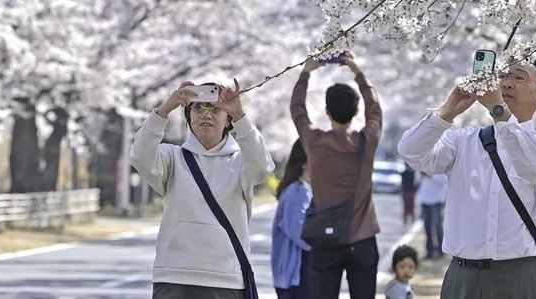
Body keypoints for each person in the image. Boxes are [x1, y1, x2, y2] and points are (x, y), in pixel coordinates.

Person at [397, 60, 536, 299]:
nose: (506, 83)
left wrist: (499, 109)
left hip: (522, 274)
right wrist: (448, 110)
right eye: (502, 76)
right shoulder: (463, 141)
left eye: (519, 77)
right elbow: (410, 152)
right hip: (463, 275)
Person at [130, 79, 275, 299]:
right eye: (198, 107)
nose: (205, 114)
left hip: (225, 276)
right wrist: (165, 109)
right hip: (175, 275)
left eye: (215, 109)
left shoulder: (241, 162)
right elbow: (140, 156)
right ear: (189, 117)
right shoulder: (172, 158)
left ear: (228, 121)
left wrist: (240, 115)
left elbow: (263, 166)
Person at [290, 52, 382, 299]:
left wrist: (306, 72)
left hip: (325, 240)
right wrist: (357, 71)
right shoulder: (367, 141)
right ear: (356, 112)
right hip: (362, 240)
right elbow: (375, 110)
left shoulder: (315, 141)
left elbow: (297, 110)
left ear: (327, 111)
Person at [271, 139, 313, 299]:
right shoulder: (297, 192)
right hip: (296, 274)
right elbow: (300, 233)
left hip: (295, 274)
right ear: (305, 161)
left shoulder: (301, 189)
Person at [417, 171, 448, 259]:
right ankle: (429, 251)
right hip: (425, 199)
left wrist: (430, 175)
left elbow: (444, 180)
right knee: (427, 226)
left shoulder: (439, 165)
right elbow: (419, 180)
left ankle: (440, 251)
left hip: (436, 200)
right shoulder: (424, 164)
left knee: (437, 226)